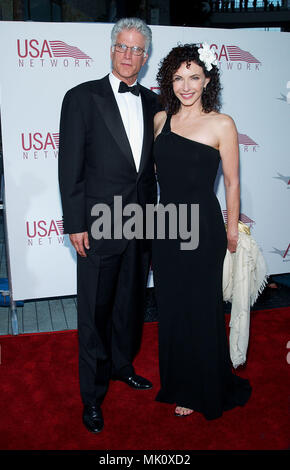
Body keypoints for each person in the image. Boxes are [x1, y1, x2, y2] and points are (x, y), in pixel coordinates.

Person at [58, 17, 160, 433]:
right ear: (111, 48)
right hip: (98, 223)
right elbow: (70, 167)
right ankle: (93, 396)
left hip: (142, 220)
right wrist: (76, 222)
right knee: (94, 313)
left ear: (146, 56)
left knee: (130, 305)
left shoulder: (154, 103)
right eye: (123, 46)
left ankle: (122, 365)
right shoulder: (81, 97)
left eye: (137, 49)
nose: (129, 55)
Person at [152, 43, 252, 419]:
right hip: (165, 227)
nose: (186, 86)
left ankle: (203, 387)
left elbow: (232, 183)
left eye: (194, 77)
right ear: (169, 81)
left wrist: (231, 231)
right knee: (173, 308)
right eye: (178, 78)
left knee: (201, 308)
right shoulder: (161, 121)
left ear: (207, 79)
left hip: (203, 228)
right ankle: (177, 382)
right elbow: (155, 176)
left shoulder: (221, 123)